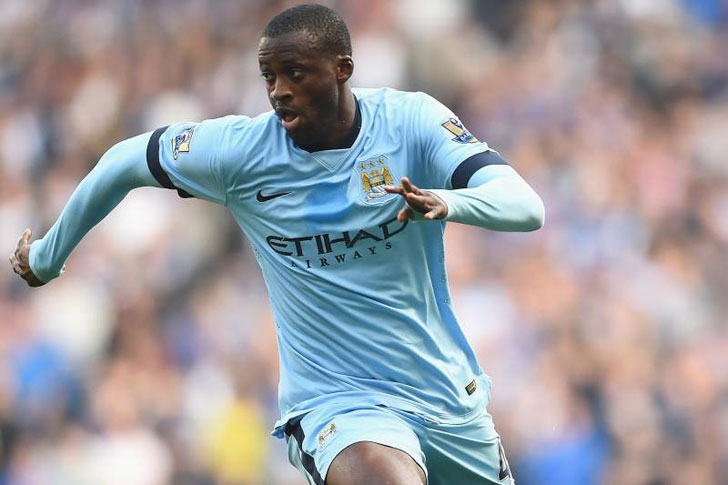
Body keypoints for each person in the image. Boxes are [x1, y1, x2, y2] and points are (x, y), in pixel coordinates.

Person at [9, 4, 544, 484]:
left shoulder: (411, 123)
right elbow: (125, 161)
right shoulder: (241, 152)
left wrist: (451, 203)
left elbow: (525, 206)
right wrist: (49, 255)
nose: (278, 90)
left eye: (295, 73)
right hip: (338, 403)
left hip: (443, 395)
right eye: (269, 76)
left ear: (342, 69)